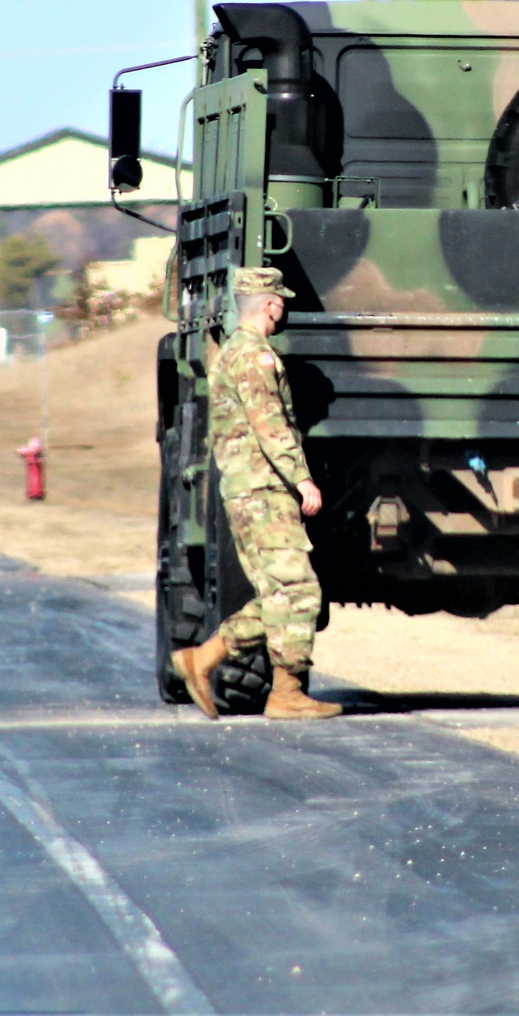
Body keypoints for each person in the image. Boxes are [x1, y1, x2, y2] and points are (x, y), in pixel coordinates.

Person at [171, 266, 341, 722]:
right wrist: (302, 479)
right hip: (263, 490)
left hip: (250, 489)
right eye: (279, 300)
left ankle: (203, 660)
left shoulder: (233, 352)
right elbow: (271, 425)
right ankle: (285, 693)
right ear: (270, 305)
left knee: (279, 594)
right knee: (299, 590)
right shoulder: (255, 357)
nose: (282, 307)